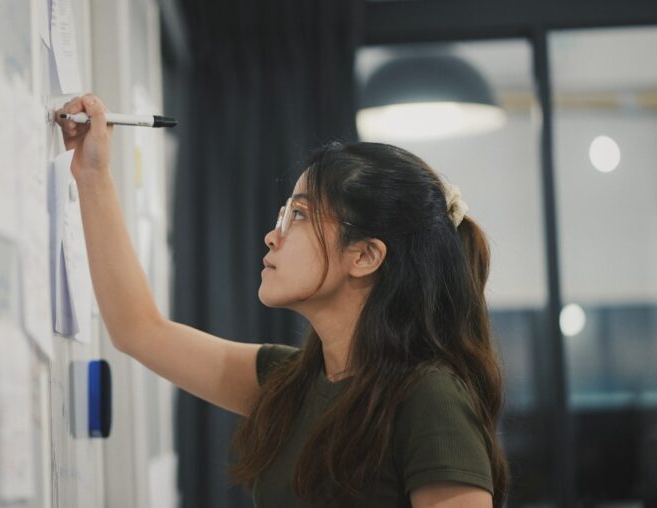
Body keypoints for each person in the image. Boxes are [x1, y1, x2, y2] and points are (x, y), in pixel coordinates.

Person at [55, 93, 509, 508]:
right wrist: (92, 175)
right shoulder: (290, 383)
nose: (274, 236)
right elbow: (139, 330)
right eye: (284, 214)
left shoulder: (429, 395)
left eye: (299, 215)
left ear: (365, 255)